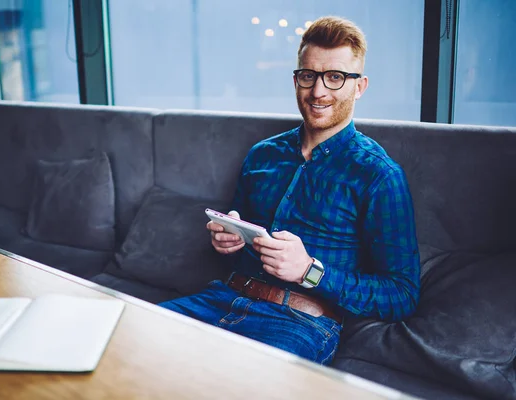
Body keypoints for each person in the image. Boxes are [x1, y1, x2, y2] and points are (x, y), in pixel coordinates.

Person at [160, 16, 420, 365]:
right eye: (308, 76)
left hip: (298, 323)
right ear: (296, 79)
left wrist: (311, 270)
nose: (318, 92)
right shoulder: (263, 154)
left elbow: (402, 295)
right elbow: (238, 238)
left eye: (336, 77)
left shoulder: (379, 175)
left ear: (359, 87)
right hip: (221, 298)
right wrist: (228, 239)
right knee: (121, 341)